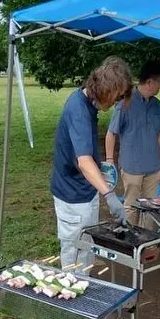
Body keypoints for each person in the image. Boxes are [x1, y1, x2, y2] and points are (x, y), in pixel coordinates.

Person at [51, 56, 134, 273]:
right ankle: (71, 291)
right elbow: (84, 160)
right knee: (74, 248)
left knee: (87, 243)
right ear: (105, 91)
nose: (117, 101)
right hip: (72, 194)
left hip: (86, 190)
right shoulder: (78, 110)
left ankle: (83, 283)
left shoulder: (88, 103)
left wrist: (103, 172)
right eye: (117, 97)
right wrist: (110, 195)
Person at [105, 59, 160, 229]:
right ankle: (130, 243)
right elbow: (111, 133)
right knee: (131, 207)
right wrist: (110, 160)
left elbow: (158, 135)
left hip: (153, 167)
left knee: (151, 207)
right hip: (132, 166)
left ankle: (147, 242)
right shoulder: (125, 103)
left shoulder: (156, 105)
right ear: (150, 82)